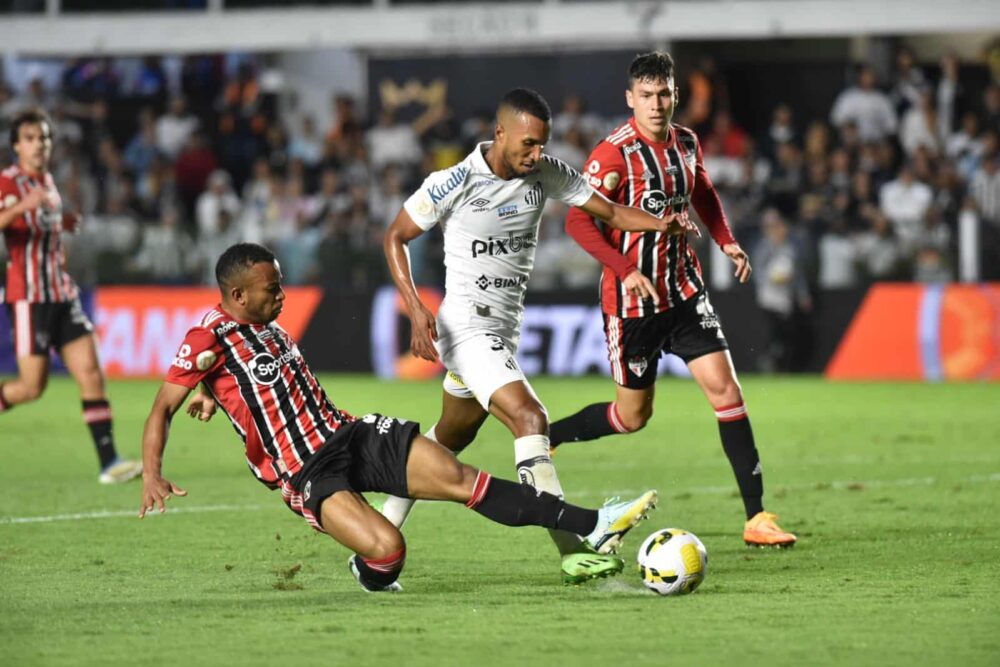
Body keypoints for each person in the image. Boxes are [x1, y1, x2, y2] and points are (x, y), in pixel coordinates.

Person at [139, 243, 658, 592]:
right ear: (237, 296)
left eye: (280, 283)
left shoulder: (260, 325)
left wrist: (212, 390)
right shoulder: (207, 337)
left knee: (460, 479)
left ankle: (594, 523)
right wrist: (153, 471)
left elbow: (245, 379)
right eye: (271, 288)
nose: (281, 293)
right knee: (389, 554)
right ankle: (368, 568)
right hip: (307, 471)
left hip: (351, 433)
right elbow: (163, 406)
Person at [380, 88, 679, 583]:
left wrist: (660, 224)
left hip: (502, 331)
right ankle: (575, 547)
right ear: (499, 133)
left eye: (542, 144)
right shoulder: (453, 180)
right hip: (466, 328)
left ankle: (376, 540)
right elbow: (395, 236)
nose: (536, 154)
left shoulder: (547, 172)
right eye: (528, 144)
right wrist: (415, 309)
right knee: (530, 416)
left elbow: (610, 212)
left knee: (447, 440)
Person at [547, 53, 797, 547]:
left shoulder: (686, 141)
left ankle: (757, 518)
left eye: (664, 94)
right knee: (631, 417)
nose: (656, 104)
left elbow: (702, 190)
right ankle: (550, 436)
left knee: (727, 394)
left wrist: (724, 238)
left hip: (684, 292)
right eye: (646, 96)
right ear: (630, 100)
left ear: (675, 95)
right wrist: (624, 268)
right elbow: (579, 221)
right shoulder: (612, 155)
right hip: (632, 305)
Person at [0, 108, 141, 484]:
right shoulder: (9, 182)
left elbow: (42, 232)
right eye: (30, 138)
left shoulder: (48, 182)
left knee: (91, 373)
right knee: (31, 388)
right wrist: (20, 207)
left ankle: (109, 462)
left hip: (62, 294)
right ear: (16, 145)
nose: (38, 145)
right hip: (29, 298)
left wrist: (61, 224)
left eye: (44, 138)